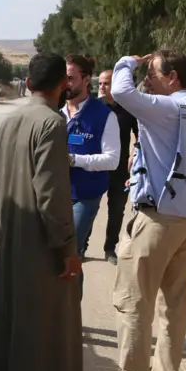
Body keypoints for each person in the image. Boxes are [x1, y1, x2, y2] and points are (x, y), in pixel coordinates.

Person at [90, 51, 186, 371]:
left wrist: (127, 62)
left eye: (153, 73)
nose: (148, 79)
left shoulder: (168, 108)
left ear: (173, 77)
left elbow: (123, 92)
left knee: (134, 298)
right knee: (174, 301)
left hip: (161, 217)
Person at [0, 53, 83, 371]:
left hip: (11, 236)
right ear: (63, 85)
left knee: (12, 319)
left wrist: (11, 225)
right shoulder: (52, 123)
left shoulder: (9, 123)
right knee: (37, 330)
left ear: (27, 82)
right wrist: (67, 248)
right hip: (40, 245)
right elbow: (52, 194)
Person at [62, 55, 120, 269]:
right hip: (56, 195)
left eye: (71, 78)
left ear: (86, 80)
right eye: (63, 78)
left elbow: (112, 160)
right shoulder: (56, 113)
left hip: (85, 196)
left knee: (70, 253)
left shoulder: (104, 115)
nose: (65, 84)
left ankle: (71, 301)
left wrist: (74, 160)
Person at [97, 68, 139, 264]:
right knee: (90, 206)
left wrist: (134, 153)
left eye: (106, 83)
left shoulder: (129, 109)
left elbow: (140, 136)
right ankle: (81, 246)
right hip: (96, 167)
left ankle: (110, 248)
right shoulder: (95, 108)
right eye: (100, 83)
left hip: (120, 168)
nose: (102, 87)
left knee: (116, 210)